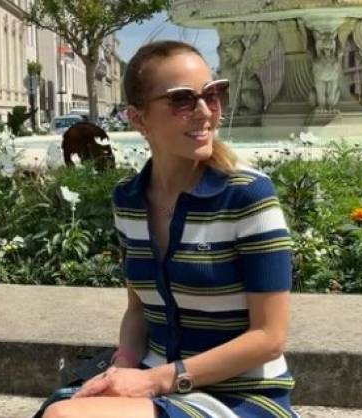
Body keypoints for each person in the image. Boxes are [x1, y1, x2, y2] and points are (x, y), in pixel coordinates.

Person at [43, 40, 297, 418]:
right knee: (60, 406)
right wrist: (123, 366)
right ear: (138, 119)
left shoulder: (247, 195)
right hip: (157, 385)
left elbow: (269, 338)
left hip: (241, 396)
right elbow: (138, 310)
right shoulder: (128, 200)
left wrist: (154, 381)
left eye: (212, 94)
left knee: (65, 416)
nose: (204, 111)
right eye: (182, 99)